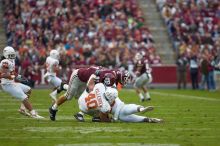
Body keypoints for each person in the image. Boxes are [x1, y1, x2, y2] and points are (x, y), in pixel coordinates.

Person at [0, 46, 44, 119]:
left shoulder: (11, 61)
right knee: (24, 97)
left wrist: (20, 77)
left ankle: (22, 109)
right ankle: (33, 113)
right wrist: (12, 76)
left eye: (13, 55)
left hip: (11, 83)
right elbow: (2, 75)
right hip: (7, 85)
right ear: (6, 54)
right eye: (10, 55)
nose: (12, 57)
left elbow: (13, 73)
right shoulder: (5, 62)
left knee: (28, 90)